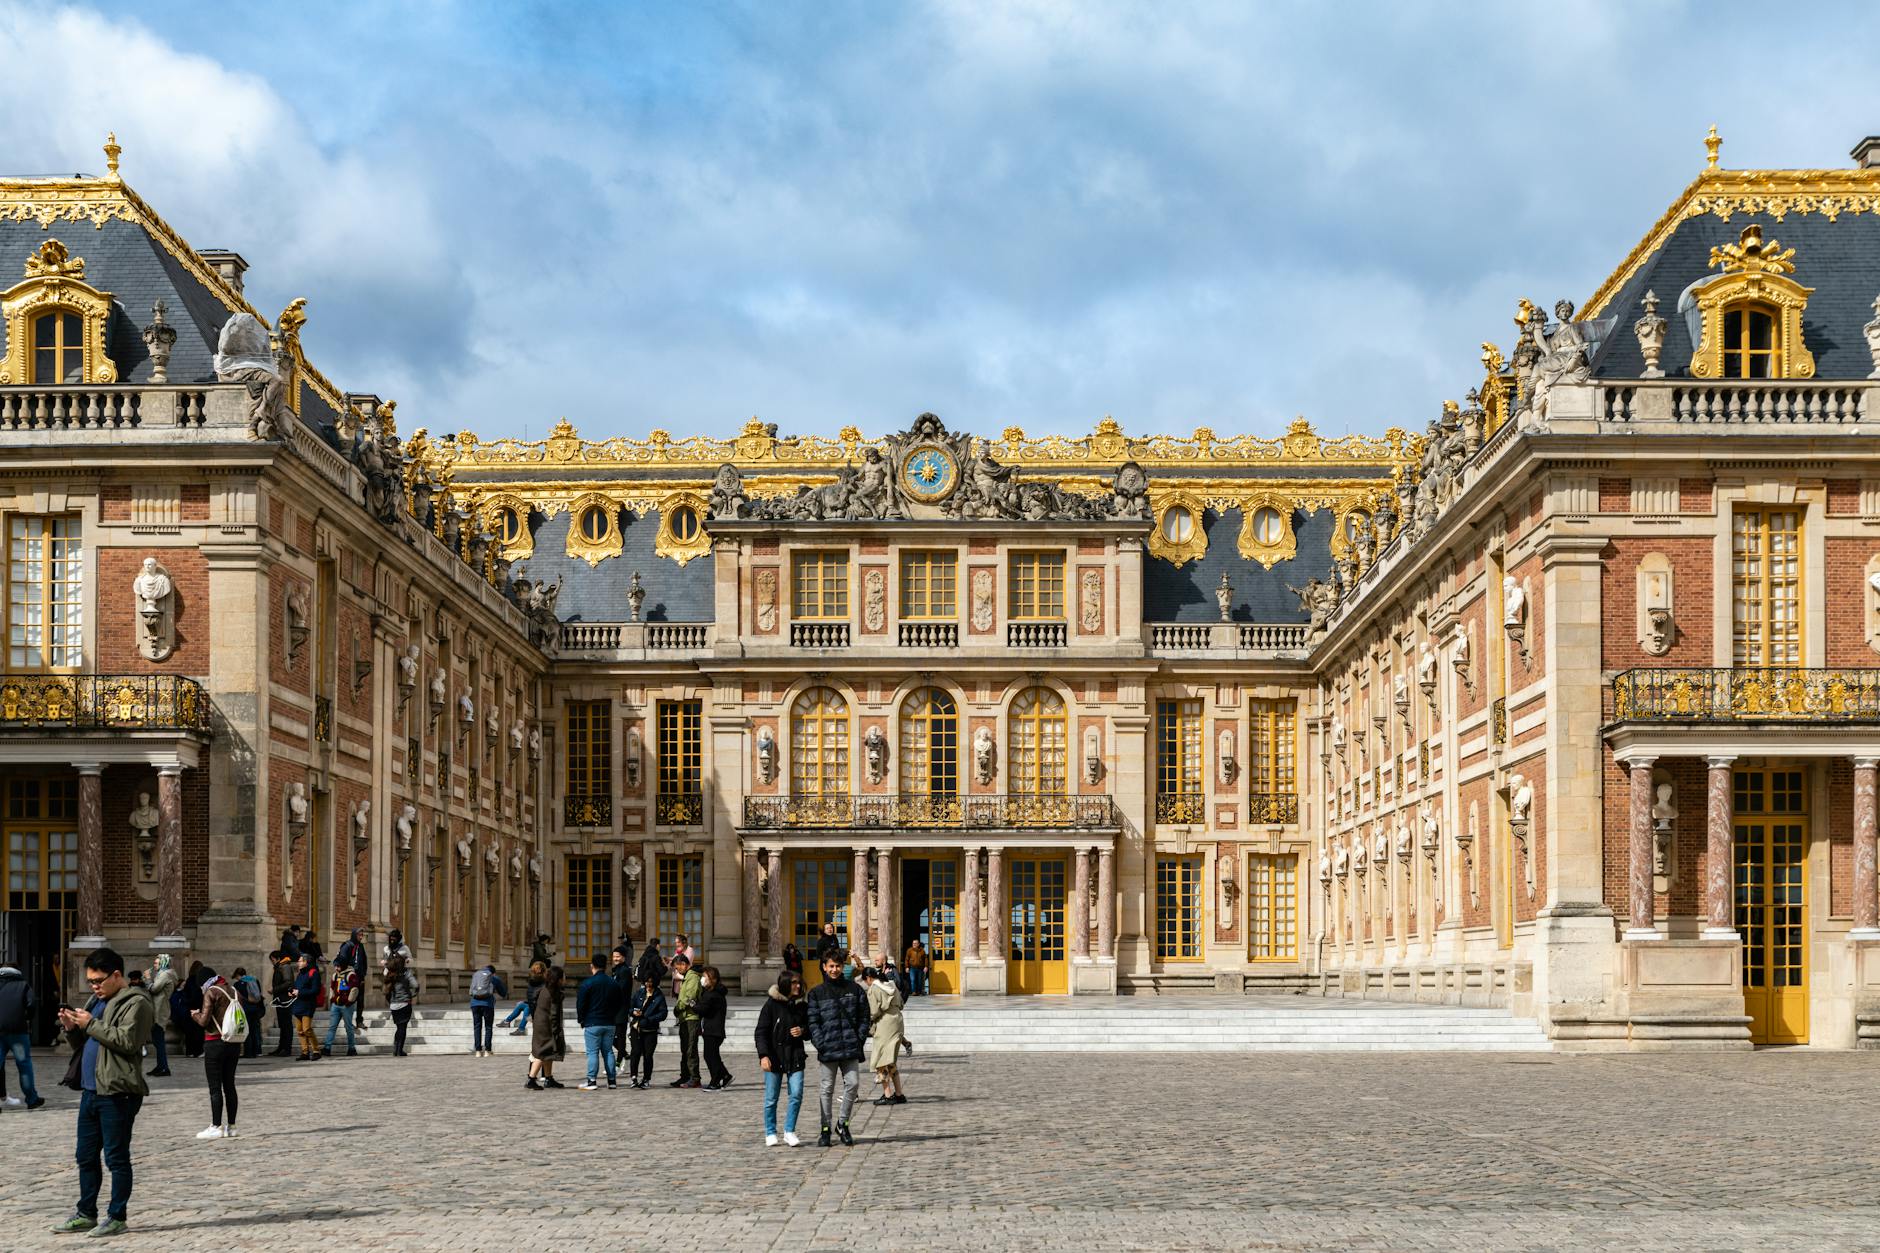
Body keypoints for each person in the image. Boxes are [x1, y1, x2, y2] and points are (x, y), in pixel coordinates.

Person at [50, 946, 154, 1237]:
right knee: (85, 1156)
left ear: (117, 975)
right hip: (90, 1091)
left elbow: (127, 1042)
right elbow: (85, 1045)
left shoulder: (136, 1003)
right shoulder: (97, 1001)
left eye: (98, 981)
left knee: (116, 1158)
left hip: (118, 1092)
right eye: (91, 982)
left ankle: (117, 1216)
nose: (94, 987)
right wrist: (72, 1029)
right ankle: (86, 1212)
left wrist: (91, 1024)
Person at [806, 950, 868, 1147]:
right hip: (828, 1047)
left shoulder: (855, 989)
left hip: (850, 1046)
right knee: (827, 1089)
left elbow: (864, 1016)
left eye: (838, 966)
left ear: (843, 967)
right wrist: (820, 1043)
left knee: (853, 1084)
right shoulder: (816, 993)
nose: (834, 969)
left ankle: (843, 1124)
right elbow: (813, 1022)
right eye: (831, 966)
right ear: (824, 967)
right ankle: (825, 1128)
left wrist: (859, 1038)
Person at [755, 969, 808, 1147]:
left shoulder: (802, 1005)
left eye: (799, 983)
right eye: (794, 983)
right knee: (771, 1098)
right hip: (774, 1056)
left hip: (795, 1055)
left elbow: (810, 1027)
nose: (798, 986)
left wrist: (802, 1031)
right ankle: (770, 1131)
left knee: (797, 1093)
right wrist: (763, 1055)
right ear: (785, 984)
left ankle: (789, 1130)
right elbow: (761, 1031)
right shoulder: (771, 1004)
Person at [190, 970, 244, 1139]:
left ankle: (216, 1126)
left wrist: (194, 1015)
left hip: (214, 1042)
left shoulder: (211, 992)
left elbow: (204, 1021)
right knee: (229, 1085)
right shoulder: (235, 991)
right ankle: (232, 1127)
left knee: (215, 1087)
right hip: (233, 1043)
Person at [0, 959, 44, 1109]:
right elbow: (31, 1004)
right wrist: (26, 1018)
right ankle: (31, 1099)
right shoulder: (23, 985)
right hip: (17, 1031)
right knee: (24, 1065)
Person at [575, 954, 622, 1090]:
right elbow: (619, 1002)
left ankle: (591, 1080)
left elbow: (581, 1004)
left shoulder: (587, 984)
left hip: (592, 1022)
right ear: (606, 966)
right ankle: (612, 1080)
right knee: (608, 1051)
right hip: (609, 1022)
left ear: (592, 966)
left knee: (592, 1052)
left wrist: (581, 1019)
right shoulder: (614, 983)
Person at [862, 967, 908, 1106]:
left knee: (881, 1060)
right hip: (897, 1020)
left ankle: (887, 1095)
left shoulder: (874, 989)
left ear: (868, 979)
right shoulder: (891, 984)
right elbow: (901, 1004)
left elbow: (874, 1011)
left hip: (885, 1024)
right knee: (890, 1060)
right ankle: (899, 1094)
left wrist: (867, 1021)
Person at [526, 964, 566, 1090]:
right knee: (542, 1052)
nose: (565, 979)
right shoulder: (554, 994)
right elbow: (554, 1014)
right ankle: (531, 1079)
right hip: (547, 1026)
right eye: (563, 977)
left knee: (548, 1052)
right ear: (558, 979)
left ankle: (548, 1078)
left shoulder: (543, 989)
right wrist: (556, 1030)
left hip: (540, 1023)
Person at [625, 973, 666, 1089]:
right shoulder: (639, 993)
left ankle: (646, 1079)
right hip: (636, 1028)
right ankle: (633, 1077)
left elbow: (663, 1014)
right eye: (647, 982)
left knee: (648, 1055)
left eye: (651, 982)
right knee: (635, 1053)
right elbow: (630, 1007)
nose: (648, 984)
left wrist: (649, 1018)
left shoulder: (659, 996)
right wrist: (633, 1012)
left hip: (650, 1029)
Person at [669, 954, 702, 1089]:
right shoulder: (687, 977)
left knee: (690, 1048)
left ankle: (694, 1078)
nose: (678, 971)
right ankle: (685, 1075)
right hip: (684, 1017)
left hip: (691, 1018)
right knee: (685, 1049)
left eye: (678, 968)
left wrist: (678, 1008)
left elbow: (689, 997)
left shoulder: (693, 977)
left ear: (684, 964)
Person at [698, 965, 732, 1090]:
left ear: (712, 979)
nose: (702, 979)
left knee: (710, 1056)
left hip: (713, 1030)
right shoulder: (715, 993)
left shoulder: (712, 994)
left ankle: (716, 1080)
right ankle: (725, 1075)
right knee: (713, 1055)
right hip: (714, 1029)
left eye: (704, 977)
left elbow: (703, 1009)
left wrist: (692, 1005)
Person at [322, 958, 361, 1057]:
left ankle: (351, 1049)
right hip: (336, 1005)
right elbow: (332, 988)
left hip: (346, 1005)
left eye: (338, 966)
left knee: (349, 1027)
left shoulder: (351, 975)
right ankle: (327, 1048)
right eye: (335, 966)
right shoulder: (335, 975)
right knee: (332, 1027)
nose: (336, 968)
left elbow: (354, 989)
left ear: (343, 965)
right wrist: (332, 999)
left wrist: (349, 1001)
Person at [144, 954, 175, 1076]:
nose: (154, 965)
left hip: (160, 1011)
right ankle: (160, 1066)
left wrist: (147, 978)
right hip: (158, 1009)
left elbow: (154, 989)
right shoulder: (163, 974)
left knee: (159, 1040)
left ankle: (164, 1067)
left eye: (156, 963)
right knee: (157, 1040)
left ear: (163, 963)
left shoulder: (165, 975)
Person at [469, 963, 506, 1057]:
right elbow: (503, 992)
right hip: (487, 1004)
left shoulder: (476, 975)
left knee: (477, 1026)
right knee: (488, 1027)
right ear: (493, 973)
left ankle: (477, 1051)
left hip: (474, 1003)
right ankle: (487, 1051)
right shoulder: (494, 978)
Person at [384, 955, 418, 1058]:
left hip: (393, 1005)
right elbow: (415, 985)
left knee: (399, 1027)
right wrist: (412, 995)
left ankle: (396, 1049)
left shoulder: (390, 974)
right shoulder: (407, 973)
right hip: (404, 1003)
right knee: (402, 1028)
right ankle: (399, 1050)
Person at [289, 952, 322, 1061]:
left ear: (307, 962)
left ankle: (316, 1051)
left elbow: (315, 990)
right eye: (299, 961)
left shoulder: (314, 973)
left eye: (301, 961)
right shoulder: (300, 974)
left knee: (307, 1029)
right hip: (298, 1004)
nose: (299, 962)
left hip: (308, 1004)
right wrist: (292, 992)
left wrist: (300, 992)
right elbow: (297, 987)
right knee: (299, 1030)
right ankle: (305, 1052)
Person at [609, 947, 636, 1067]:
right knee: (612, 1036)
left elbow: (621, 989)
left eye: (618, 956)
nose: (615, 958)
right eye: (614, 956)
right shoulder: (617, 970)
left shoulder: (624, 970)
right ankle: (624, 1054)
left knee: (620, 1036)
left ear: (624, 957)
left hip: (621, 1007)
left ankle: (618, 1062)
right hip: (615, 1008)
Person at [500, 960, 544, 1035]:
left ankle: (518, 1027)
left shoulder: (541, 981)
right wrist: (526, 1002)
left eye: (537, 969)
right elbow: (532, 996)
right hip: (534, 1003)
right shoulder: (534, 980)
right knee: (522, 1005)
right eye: (535, 969)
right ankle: (508, 1023)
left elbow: (538, 996)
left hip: (539, 1005)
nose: (535, 971)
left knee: (527, 1008)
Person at [232, 967, 265, 1059]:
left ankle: (248, 1052)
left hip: (245, 1009)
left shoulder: (237, 984)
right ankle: (256, 1052)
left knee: (247, 1031)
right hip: (255, 1009)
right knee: (254, 1030)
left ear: (238, 975)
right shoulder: (254, 980)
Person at [268, 950, 296, 1056]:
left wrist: (274, 989)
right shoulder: (280, 967)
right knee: (282, 1024)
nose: (272, 962)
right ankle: (281, 1047)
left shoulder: (285, 967)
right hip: (280, 999)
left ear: (278, 959)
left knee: (286, 1024)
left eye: (273, 960)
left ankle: (286, 1048)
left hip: (285, 999)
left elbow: (288, 982)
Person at [179, 960, 207, 1058]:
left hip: (188, 1008)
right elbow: (198, 995)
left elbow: (185, 995)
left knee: (189, 1031)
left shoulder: (189, 980)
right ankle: (198, 1051)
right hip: (197, 1008)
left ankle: (189, 1051)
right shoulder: (200, 981)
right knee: (198, 1030)